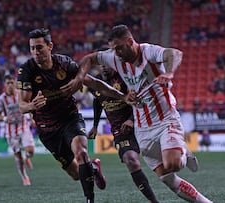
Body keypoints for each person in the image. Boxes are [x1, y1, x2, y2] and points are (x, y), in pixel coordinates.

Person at [62, 24, 213, 203]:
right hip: (143, 129)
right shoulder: (115, 57)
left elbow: (175, 53)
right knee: (168, 179)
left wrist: (170, 73)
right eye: (113, 49)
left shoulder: (148, 52)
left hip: (165, 119)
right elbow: (89, 58)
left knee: (173, 163)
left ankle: (183, 153)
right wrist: (80, 77)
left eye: (119, 48)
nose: (116, 53)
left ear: (130, 41)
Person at [17, 28, 126, 202]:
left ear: (49, 46)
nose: (35, 52)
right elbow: (21, 107)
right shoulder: (27, 71)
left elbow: (94, 83)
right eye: (32, 48)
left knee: (81, 152)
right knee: (76, 174)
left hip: (70, 118)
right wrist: (32, 105)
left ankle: (89, 199)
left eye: (39, 47)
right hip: (48, 130)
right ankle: (94, 169)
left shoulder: (65, 65)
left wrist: (123, 96)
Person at [87, 64, 159, 203]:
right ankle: (153, 201)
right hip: (121, 131)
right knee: (131, 160)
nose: (103, 68)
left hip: (142, 124)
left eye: (106, 65)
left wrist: (131, 119)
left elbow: (141, 100)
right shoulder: (95, 83)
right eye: (100, 65)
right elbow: (98, 101)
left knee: (167, 163)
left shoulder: (125, 79)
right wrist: (95, 126)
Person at [0, 74, 35, 186]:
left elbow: (30, 105)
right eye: (7, 83)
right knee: (17, 155)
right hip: (11, 131)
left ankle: (27, 157)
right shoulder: (1, 99)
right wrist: (4, 118)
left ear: (15, 83)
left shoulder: (21, 94)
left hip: (24, 126)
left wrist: (32, 117)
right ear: (4, 85)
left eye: (12, 82)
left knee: (31, 150)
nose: (10, 85)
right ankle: (25, 177)